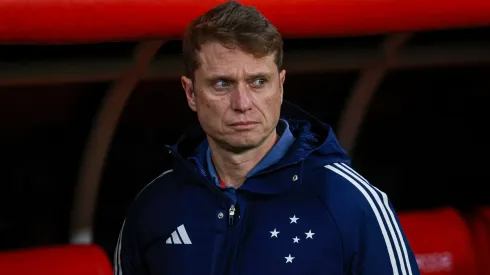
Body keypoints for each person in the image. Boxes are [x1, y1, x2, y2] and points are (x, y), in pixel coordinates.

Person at [114, 1, 420, 274]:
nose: (243, 103)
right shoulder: (154, 206)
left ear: (281, 86)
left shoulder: (349, 202)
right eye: (222, 84)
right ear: (191, 93)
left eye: (258, 81)